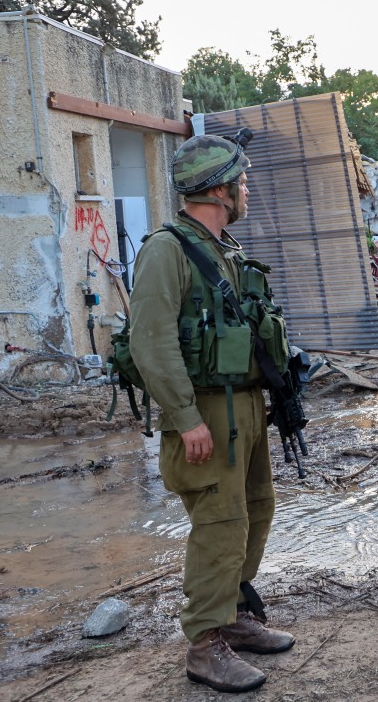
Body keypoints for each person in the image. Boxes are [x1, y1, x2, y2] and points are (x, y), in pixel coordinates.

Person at [129, 132, 294, 693]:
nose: (246, 190)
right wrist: (184, 418)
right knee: (219, 525)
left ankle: (232, 617)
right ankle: (205, 644)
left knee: (254, 510)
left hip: (243, 407)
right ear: (219, 190)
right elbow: (152, 342)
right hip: (204, 412)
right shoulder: (167, 250)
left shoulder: (226, 250)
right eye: (242, 182)